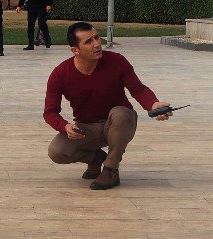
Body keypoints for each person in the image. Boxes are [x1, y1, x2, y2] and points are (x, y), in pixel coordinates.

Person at [44, 22, 172, 190]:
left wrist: (153, 105)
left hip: (119, 123)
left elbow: (138, 89)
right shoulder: (60, 74)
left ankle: (111, 170)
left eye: (97, 37)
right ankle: (96, 159)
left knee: (120, 113)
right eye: (88, 41)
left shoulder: (116, 61)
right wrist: (66, 126)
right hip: (87, 127)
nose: (97, 44)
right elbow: (50, 112)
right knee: (57, 151)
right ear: (75, 50)